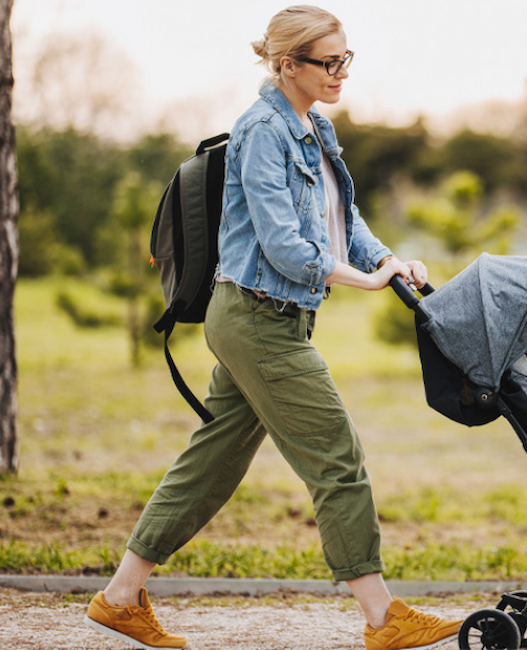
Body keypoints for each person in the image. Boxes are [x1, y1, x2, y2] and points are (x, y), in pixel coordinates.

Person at [84, 7, 461, 650]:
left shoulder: (316, 127)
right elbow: (284, 245)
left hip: (267, 319)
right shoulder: (262, 130)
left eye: (347, 59)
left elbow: (345, 218)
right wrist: (359, 279)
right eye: (328, 61)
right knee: (337, 459)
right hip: (258, 319)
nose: (342, 73)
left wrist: (386, 261)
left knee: (212, 463)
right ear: (288, 64)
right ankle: (383, 619)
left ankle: (120, 597)